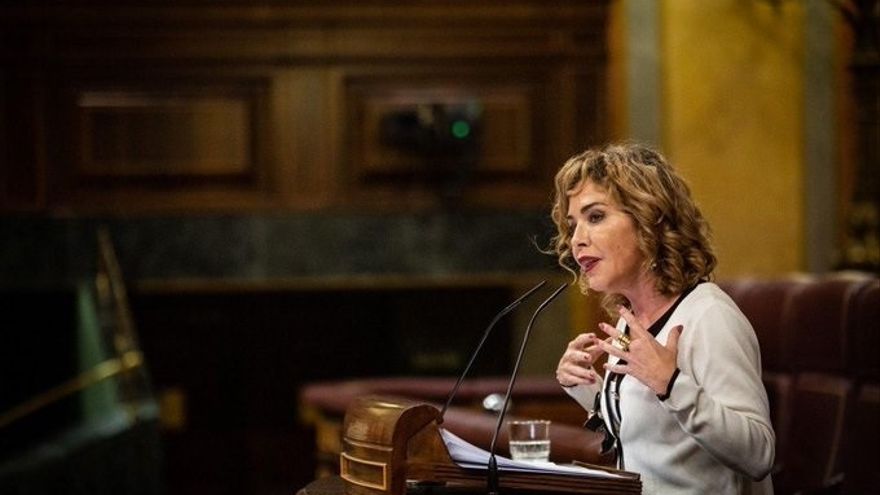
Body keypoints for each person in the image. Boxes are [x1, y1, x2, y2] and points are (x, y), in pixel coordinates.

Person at [551, 143, 775, 494]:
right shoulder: (630, 319)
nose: (577, 240)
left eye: (595, 217)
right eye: (573, 224)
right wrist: (587, 389)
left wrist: (671, 383)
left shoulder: (709, 316)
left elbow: (759, 455)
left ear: (648, 220)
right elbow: (656, 439)